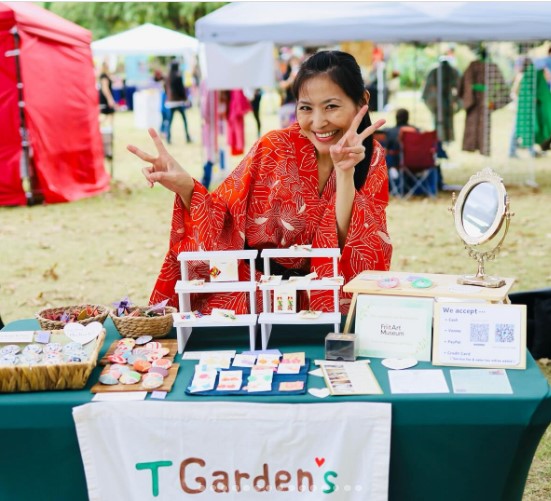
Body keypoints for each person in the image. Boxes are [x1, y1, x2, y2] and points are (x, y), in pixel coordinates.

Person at [127, 50, 392, 315]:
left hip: (323, 301)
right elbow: (224, 218)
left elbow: (355, 245)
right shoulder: (273, 147)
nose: (318, 122)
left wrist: (345, 174)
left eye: (331, 106)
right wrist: (186, 186)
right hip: (252, 297)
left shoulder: (373, 157)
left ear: (361, 101)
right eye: (306, 108)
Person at [165, 60, 192, 144]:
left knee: (169, 121)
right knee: (184, 120)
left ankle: (168, 138)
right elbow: (181, 90)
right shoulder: (178, 77)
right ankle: (187, 137)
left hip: (170, 102)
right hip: (178, 102)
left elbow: (166, 89)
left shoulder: (167, 77)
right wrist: (185, 99)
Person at [98, 61, 116, 127]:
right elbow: (105, 89)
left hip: (107, 96)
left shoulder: (106, 75)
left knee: (111, 113)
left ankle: (110, 128)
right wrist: (109, 99)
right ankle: (99, 126)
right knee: (106, 114)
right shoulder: (103, 76)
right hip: (105, 97)